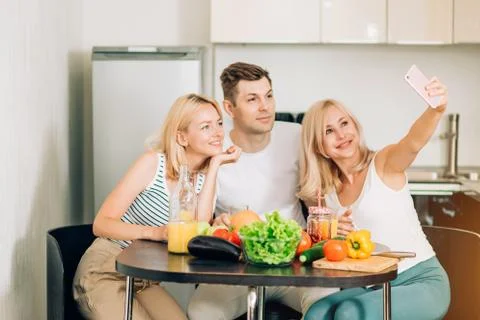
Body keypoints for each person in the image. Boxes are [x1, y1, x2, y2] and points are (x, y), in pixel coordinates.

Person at [187, 62, 337, 320]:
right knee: (201, 311)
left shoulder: (296, 136)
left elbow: (318, 196)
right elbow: (200, 219)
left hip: (296, 264)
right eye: (252, 99)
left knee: (329, 304)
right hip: (237, 268)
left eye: (268, 95)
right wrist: (216, 222)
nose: (265, 106)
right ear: (229, 108)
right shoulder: (213, 146)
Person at [73, 93, 241, 320]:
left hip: (143, 280)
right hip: (105, 271)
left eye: (219, 123)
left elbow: (198, 229)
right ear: (182, 137)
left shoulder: (204, 179)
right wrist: (155, 233)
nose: (218, 132)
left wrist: (215, 166)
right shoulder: (153, 164)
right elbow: (101, 224)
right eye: (206, 127)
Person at [297, 78, 451, 319]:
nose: (341, 134)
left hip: (420, 280)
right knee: (317, 313)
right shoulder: (326, 194)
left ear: (355, 126)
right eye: (329, 131)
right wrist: (334, 236)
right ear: (319, 147)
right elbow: (332, 250)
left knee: (350, 313)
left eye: (344, 123)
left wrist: (436, 110)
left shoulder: (383, 163)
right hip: (372, 284)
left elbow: (412, 143)